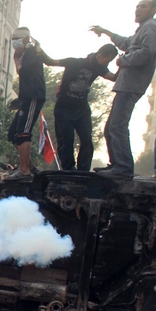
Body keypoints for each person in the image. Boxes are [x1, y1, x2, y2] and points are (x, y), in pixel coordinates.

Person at [91, 0, 156, 178]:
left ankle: (123, 168)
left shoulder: (151, 27)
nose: (138, 9)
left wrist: (122, 61)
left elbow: (147, 53)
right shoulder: (142, 29)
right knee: (111, 126)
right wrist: (105, 31)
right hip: (125, 85)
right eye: (137, 6)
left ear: (153, 10)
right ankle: (116, 165)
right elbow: (125, 42)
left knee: (117, 126)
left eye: (143, 6)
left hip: (131, 86)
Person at [41, 45, 119, 171]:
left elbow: (113, 77)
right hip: (63, 108)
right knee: (66, 140)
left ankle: (83, 169)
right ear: (100, 56)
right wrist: (40, 50)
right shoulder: (75, 62)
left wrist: (122, 64)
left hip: (82, 110)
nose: (107, 63)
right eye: (107, 60)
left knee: (86, 139)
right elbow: (50, 62)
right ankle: (68, 167)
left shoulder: (99, 67)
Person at [7, 27, 47, 180]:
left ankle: (24, 169)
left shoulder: (31, 52)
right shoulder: (27, 53)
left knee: (23, 131)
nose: (14, 43)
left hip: (33, 96)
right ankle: (29, 165)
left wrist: (16, 60)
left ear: (24, 39)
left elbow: (23, 72)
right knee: (13, 134)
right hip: (26, 98)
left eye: (16, 39)